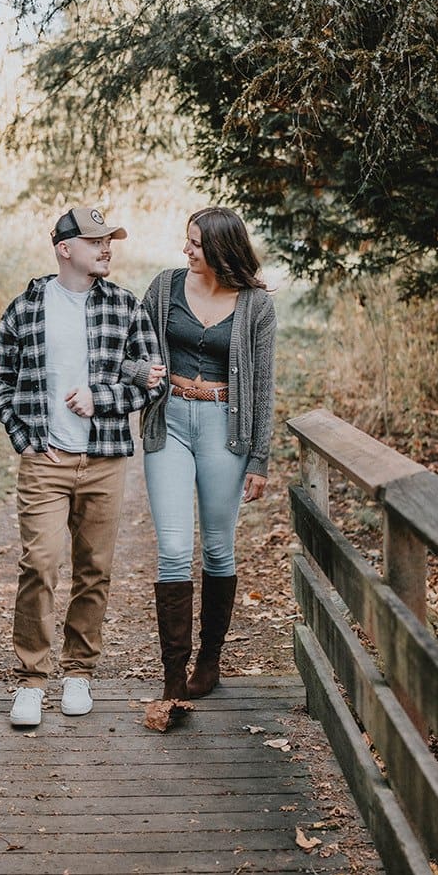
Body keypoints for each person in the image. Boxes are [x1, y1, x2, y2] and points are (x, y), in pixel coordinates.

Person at [0, 206, 162, 727]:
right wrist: (24, 439)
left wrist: (101, 397)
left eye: (110, 241)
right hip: (45, 462)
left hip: (105, 460)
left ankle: (79, 672)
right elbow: (1, 381)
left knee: (94, 570)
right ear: (65, 248)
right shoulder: (25, 309)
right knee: (39, 565)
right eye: (95, 241)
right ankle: (31, 680)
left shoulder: (126, 307)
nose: (106, 248)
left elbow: (151, 379)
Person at [128, 206, 276, 701]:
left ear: (220, 249)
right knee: (172, 549)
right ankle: (174, 673)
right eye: (186, 241)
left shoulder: (256, 305)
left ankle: (208, 661)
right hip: (167, 421)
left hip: (224, 429)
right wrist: (138, 374)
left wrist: (260, 459)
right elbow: (132, 347)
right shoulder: (165, 287)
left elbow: (263, 386)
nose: (186, 250)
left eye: (195, 243)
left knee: (217, 546)